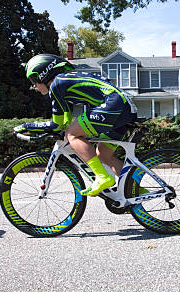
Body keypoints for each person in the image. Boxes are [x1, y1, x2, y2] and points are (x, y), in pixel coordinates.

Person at [16, 54, 137, 196]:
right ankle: (135, 193)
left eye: (34, 79)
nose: (34, 85)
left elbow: (56, 124)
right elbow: (65, 120)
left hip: (113, 104)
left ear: (44, 73)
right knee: (103, 154)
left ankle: (103, 177)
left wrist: (27, 126)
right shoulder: (65, 82)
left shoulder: (57, 84)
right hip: (123, 107)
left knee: (71, 134)